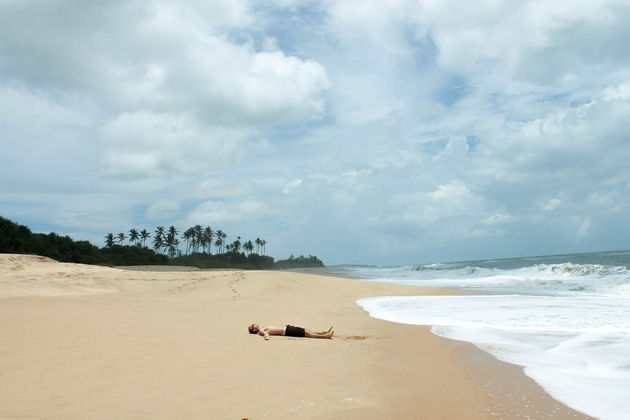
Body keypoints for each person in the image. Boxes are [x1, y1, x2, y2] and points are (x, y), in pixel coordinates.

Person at [248, 323, 334, 340]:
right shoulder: (261, 330)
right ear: (254, 329)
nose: (254, 324)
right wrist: (266, 336)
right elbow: (265, 334)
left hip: (287, 328)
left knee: (306, 330)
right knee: (306, 334)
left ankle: (323, 332)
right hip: (286, 331)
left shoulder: (263, 327)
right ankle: (325, 336)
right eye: (253, 325)